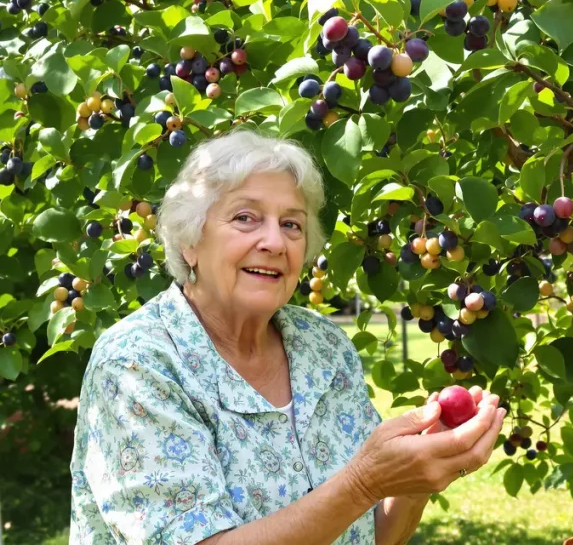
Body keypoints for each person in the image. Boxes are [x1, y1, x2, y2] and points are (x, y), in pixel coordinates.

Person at [69, 129, 506, 544]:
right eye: (245, 218)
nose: (275, 242)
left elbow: (372, 535)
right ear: (190, 242)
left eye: (292, 225)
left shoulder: (322, 346)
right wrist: (365, 482)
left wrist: (414, 479)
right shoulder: (137, 363)